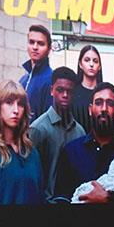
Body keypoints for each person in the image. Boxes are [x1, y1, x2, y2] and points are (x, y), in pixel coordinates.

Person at [55, 83, 114, 202]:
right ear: (90, 110)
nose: (104, 109)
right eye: (98, 103)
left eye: (110, 103)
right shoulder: (71, 151)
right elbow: (61, 197)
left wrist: (109, 199)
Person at [28, 66, 85, 201]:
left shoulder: (80, 132)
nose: (65, 95)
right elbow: (31, 176)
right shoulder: (38, 129)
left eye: (69, 91)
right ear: (51, 90)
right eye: (60, 90)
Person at [19, 24, 53, 119]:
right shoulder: (22, 80)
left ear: (49, 49)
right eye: (31, 42)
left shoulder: (51, 79)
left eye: (41, 43)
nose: (35, 47)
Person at [69, 44, 103, 136]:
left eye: (95, 61)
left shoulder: (104, 93)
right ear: (80, 64)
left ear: (99, 66)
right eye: (87, 60)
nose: (91, 64)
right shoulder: (72, 93)